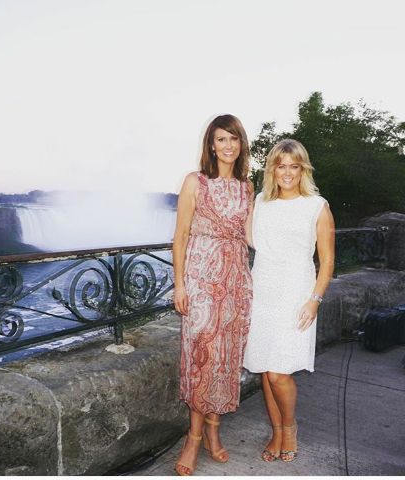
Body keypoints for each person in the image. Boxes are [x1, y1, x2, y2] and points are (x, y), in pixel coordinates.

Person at [243, 138, 335, 462]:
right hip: (262, 291)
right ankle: (276, 432)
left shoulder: (317, 206)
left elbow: (327, 260)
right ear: (272, 169)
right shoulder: (261, 202)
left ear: (302, 169)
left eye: (293, 166)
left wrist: (314, 300)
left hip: (296, 293)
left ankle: (290, 427)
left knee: (279, 373)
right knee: (266, 369)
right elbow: (248, 238)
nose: (286, 172)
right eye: (280, 166)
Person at [173, 114, 254, 475]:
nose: (228, 146)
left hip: (235, 281)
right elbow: (180, 236)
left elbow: (251, 237)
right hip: (201, 280)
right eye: (221, 139)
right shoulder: (196, 181)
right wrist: (179, 284)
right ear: (211, 144)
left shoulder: (247, 186)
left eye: (233, 139)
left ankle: (214, 431)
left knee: (225, 358)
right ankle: (193, 438)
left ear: (241, 144)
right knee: (200, 357)